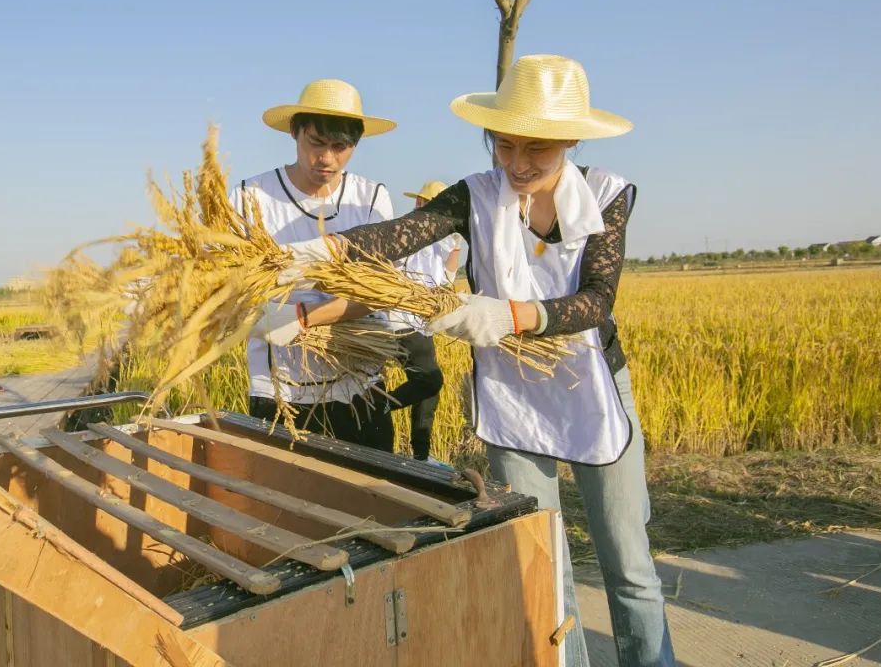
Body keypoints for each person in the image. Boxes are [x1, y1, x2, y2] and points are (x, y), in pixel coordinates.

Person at [280, 55, 675, 666]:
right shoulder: (478, 194)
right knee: (540, 560)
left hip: (594, 381)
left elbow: (596, 301)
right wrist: (318, 252)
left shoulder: (607, 195)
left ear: (571, 139)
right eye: (504, 143)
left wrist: (510, 315)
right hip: (514, 391)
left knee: (628, 561)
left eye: (536, 148)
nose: (516, 163)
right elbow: (399, 236)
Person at [234, 78, 396, 452]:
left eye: (340, 147)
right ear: (295, 132)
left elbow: (379, 292)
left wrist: (303, 317)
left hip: (360, 383)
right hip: (280, 389)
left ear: (355, 145)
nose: (327, 159)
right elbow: (232, 281)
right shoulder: (250, 197)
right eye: (316, 143)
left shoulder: (370, 199)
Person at [389, 180, 461, 465]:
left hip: (421, 323)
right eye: (419, 201)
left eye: (425, 202)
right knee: (430, 381)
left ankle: (420, 455)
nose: (420, 206)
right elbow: (390, 270)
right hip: (399, 321)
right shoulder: (403, 233)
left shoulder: (443, 243)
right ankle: (376, 408)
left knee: (428, 389)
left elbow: (445, 283)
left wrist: (454, 251)